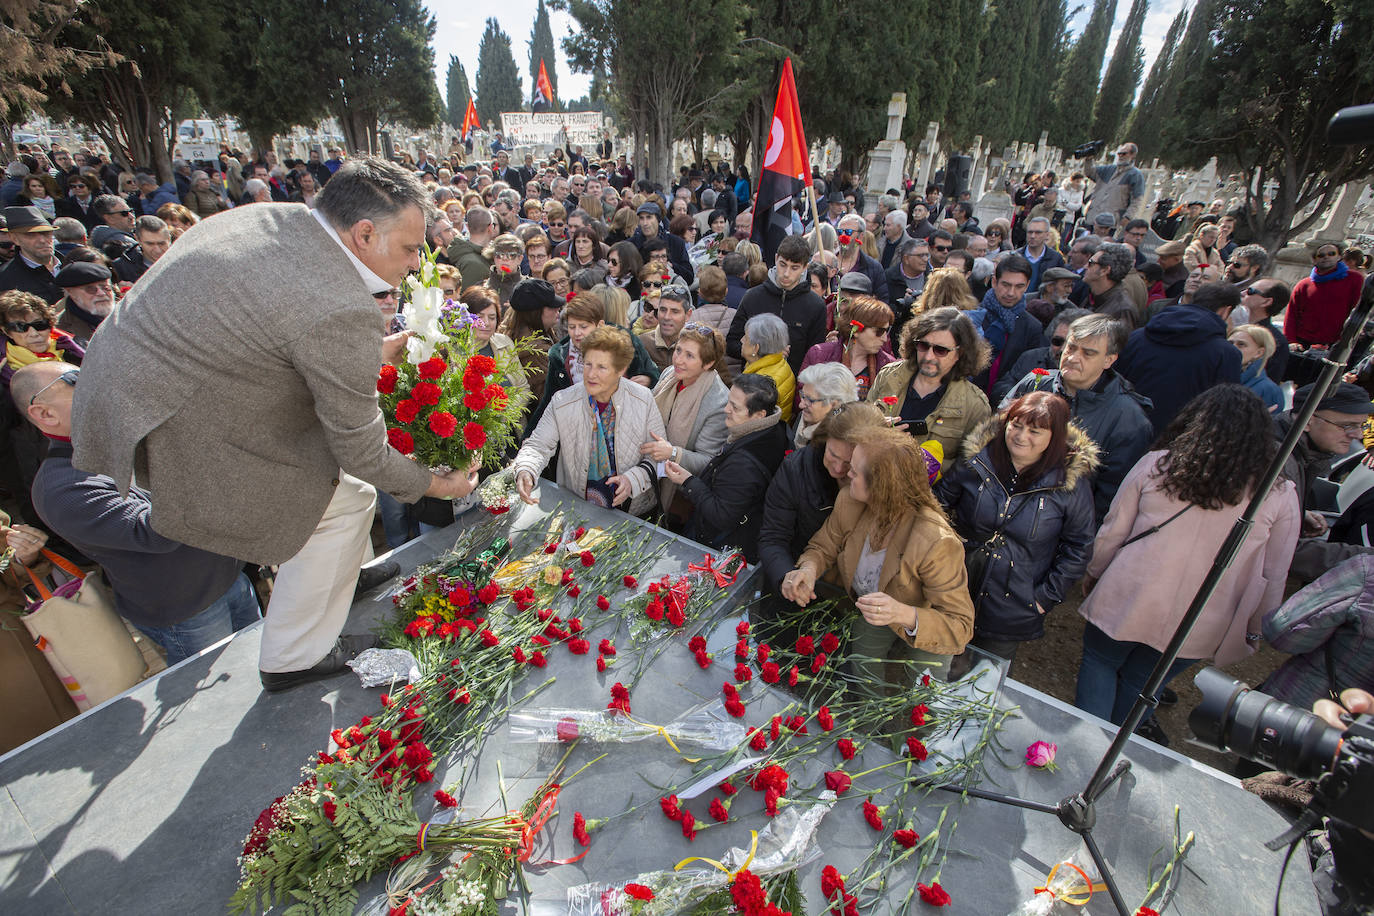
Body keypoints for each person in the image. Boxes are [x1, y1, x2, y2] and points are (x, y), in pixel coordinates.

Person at [71, 158, 480, 693]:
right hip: (176, 418)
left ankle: (337, 579)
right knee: (332, 496)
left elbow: (267, 329)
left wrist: (366, 354)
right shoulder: (338, 304)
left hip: (158, 384)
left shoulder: (275, 218)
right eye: (408, 249)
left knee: (345, 496)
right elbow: (362, 450)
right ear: (363, 233)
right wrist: (437, 484)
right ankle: (293, 656)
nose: (414, 262)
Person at [1074, 385, 1301, 743]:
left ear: (1195, 421)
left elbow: (1113, 529)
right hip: (1203, 617)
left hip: (1129, 593)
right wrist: (1258, 626)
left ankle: (1085, 745)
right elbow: (1275, 573)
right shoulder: (1278, 493)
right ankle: (1111, 754)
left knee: (1101, 662)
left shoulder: (1158, 465)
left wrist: (1095, 571)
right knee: (1144, 681)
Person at [13, 362, 260, 665]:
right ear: (44, 414)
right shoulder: (60, 488)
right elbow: (157, 532)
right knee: (223, 702)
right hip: (189, 614)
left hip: (231, 580)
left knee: (261, 669)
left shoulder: (121, 442)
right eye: (77, 380)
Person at [782, 426, 974, 687]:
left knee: (921, 695)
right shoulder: (850, 500)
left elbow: (959, 627)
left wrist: (902, 613)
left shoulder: (936, 542)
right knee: (863, 676)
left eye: (855, 471)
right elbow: (823, 546)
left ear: (882, 487)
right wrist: (807, 570)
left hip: (923, 622)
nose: (846, 474)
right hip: (873, 615)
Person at [936, 391, 1097, 669]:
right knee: (941, 666)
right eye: (1016, 425)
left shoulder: (1070, 484)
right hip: (957, 585)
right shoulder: (977, 460)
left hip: (1014, 602)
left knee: (986, 677)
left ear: (1054, 437)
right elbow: (936, 503)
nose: (1021, 436)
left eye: (1035, 431)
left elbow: (1079, 547)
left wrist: (1043, 598)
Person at [755, 402, 887, 651]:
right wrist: (787, 576)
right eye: (832, 455)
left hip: (860, 607)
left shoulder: (881, 487)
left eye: (849, 464)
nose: (838, 469)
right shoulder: (798, 469)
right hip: (801, 589)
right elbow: (774, 536)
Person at [1001, 313, 1153, 522]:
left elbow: (1108, 500)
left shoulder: (1129, 420)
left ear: (1109, 359)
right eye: (1071, 347)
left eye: (1088, 353)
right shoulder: (1035, 382)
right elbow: (994, 438)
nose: (1072, 358)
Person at [512, 325, 663, 515]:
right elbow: (538, 445)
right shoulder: (563, 401)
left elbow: (657, 456)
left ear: (620, 369)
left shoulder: (643, 399)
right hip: (577, 508)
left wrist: (632, 480)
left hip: (632, 512)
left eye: (602, 367)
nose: (591, 374)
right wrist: (526, 468)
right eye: (588, 364)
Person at [662, 375, 789, 560]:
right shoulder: (773, 429)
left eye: (735, 408)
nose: (726, 410)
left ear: (759, 415)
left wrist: (688, 481)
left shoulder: (744, 464)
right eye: (729, 402)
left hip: (721, 547)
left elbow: (721, 515)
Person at [1274, 382, 1374, 585]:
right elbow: (1276, 551)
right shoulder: (1277, 463)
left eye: (1361, 425)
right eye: (1347, 425)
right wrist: (1366, 560)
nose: (1358, 435)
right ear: (1309, 421)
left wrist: (1296, 514)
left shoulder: (1297, 452)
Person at [1115, 280, 1243, 436]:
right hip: (1175, 441)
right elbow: (1222, 409)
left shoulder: (1137, 336)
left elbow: (1114, 379)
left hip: (1121, 428)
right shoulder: (1226, 354)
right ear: (1225, 311)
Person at [868, 306, 991, 461]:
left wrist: (928, 465)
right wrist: (875, 432)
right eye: (923, 345)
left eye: (940, 350)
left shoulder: (975, 406)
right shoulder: (889, 375)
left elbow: (968, 469)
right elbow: (859, 426)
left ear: (960, 354)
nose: (929, 356)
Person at [643, 323, 730, 523]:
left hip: (679, 498)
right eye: (678, 350)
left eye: (689, 356)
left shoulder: (718, 402)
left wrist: (672, 453)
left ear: (708, 364)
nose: (678, 360)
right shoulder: (669, 375)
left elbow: (707, 461)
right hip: (647, 472)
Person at [726, 234, 828, 377]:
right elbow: (731, 343)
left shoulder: (815, 306)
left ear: (805, 267)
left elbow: (815, 358)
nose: (786, 274)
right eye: (783, 264)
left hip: (793, 388)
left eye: (794, 268)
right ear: (776, 259)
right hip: (752, 384)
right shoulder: (753, 297)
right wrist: (764, 354)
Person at [966, 254, 1041, 394]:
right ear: (994, 282)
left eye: (1019, 286)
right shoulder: (973, 316)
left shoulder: (1032, 327)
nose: (1011, 293)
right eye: (1006, 285)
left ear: (1027, 286)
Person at [800, 294, 896, 400]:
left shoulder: (888, 365)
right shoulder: (819, 355)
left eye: (886, 331)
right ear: (856, 329)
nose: (884, 338)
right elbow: (802, 398)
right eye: (879, 331)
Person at [1285, 242, 1365, 351]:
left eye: (1331, 253)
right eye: (1321, 255)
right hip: (1302, 343)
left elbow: (1358, 310)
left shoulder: (1354, 279)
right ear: (1314, 260)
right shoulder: (1303, 284)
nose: (1326, 257)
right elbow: (1291, 315)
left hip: (1334, 345)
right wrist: (1291, 341)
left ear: (1339, 257)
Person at [500, 278, 561, 403]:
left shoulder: (536, 330)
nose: (557, 309)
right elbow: (550, 395)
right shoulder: (535, 352)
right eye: (551, 307)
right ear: (536, 313)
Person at [741, 312, 796, 422]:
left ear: (755, 348)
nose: (741, 340)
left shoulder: (762, 382)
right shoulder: (777, 362)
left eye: (746, 338)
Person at [0, 206, 61, 304]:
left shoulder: (74, 264)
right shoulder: (5, 279)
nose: (42, 240)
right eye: (31, 235)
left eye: (45, 232)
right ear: (14, 238)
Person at [793, 361, 859, 448]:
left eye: (810, 400)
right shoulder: (803, 417)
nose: (801, 405)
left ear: (835, 404)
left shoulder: (836, 444)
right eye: (803, 395)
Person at [52, 260, 114, 347]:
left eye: (105, 287)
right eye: (91, 289)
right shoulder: (61, 330)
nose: (101, 293)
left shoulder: (127, 311)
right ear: (72, 293)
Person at [1229, 324, 1283, 412]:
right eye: (1230, 343)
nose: (1232, 348)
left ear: (1259, 353)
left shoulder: (1269, 390)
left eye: (1241, 344)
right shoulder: (1213, 374)